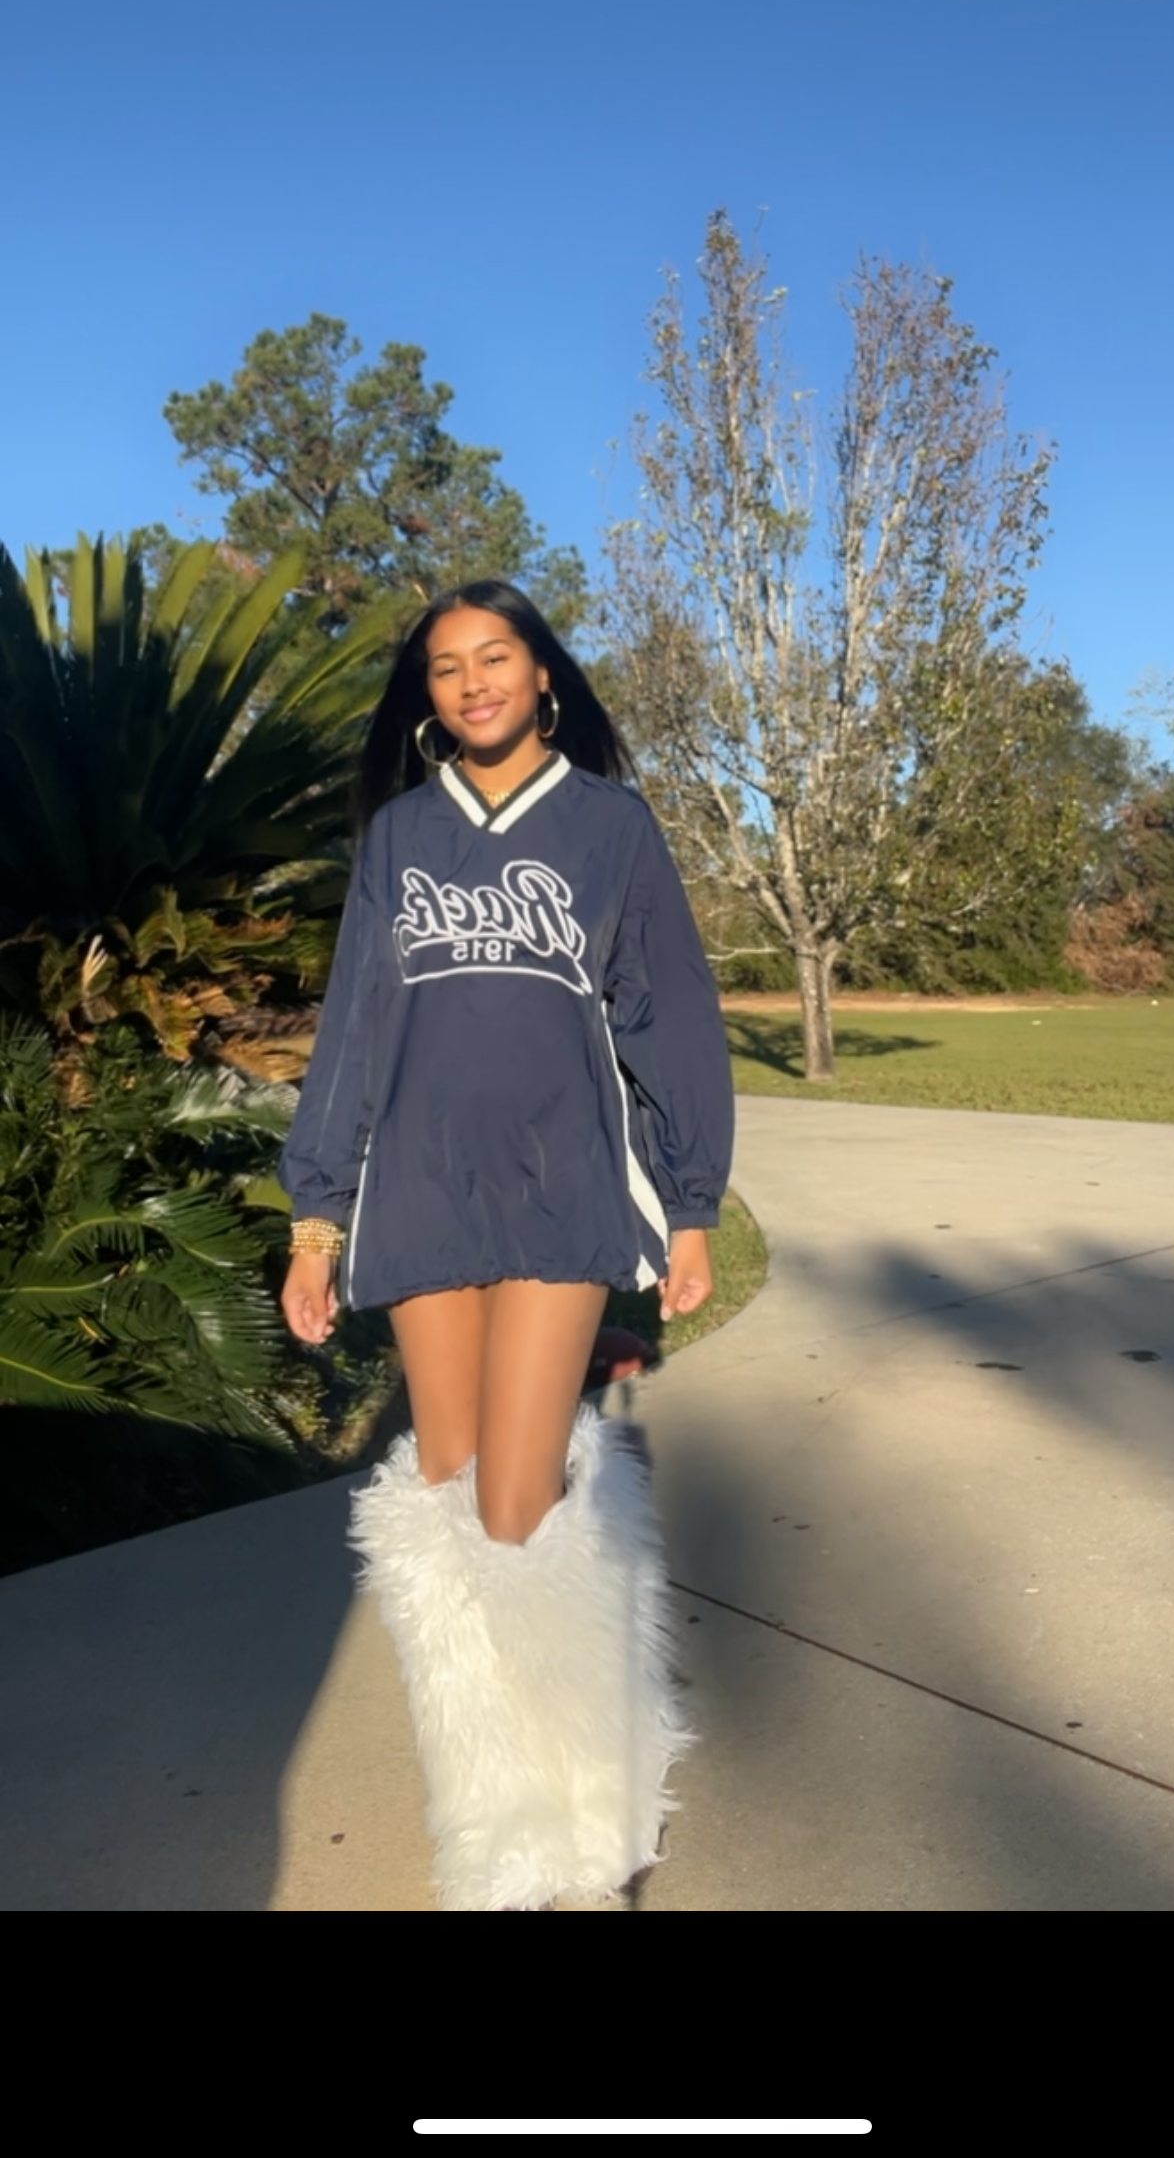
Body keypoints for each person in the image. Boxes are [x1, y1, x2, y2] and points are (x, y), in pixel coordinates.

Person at [279, 577, 734, 1911]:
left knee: (517, 1498)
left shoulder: (610, 827)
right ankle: (493, 1805)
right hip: (420, 1194)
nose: (470, 680)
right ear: (426, 699)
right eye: (443, 666)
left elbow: (671, 1018)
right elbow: (353, 1034)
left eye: (495, 656)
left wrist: (691, 1201)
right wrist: (317, 1221)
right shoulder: (400, 837)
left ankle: (590, 1792)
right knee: (448, 1482)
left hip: (558, 1189)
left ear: (544, 675)